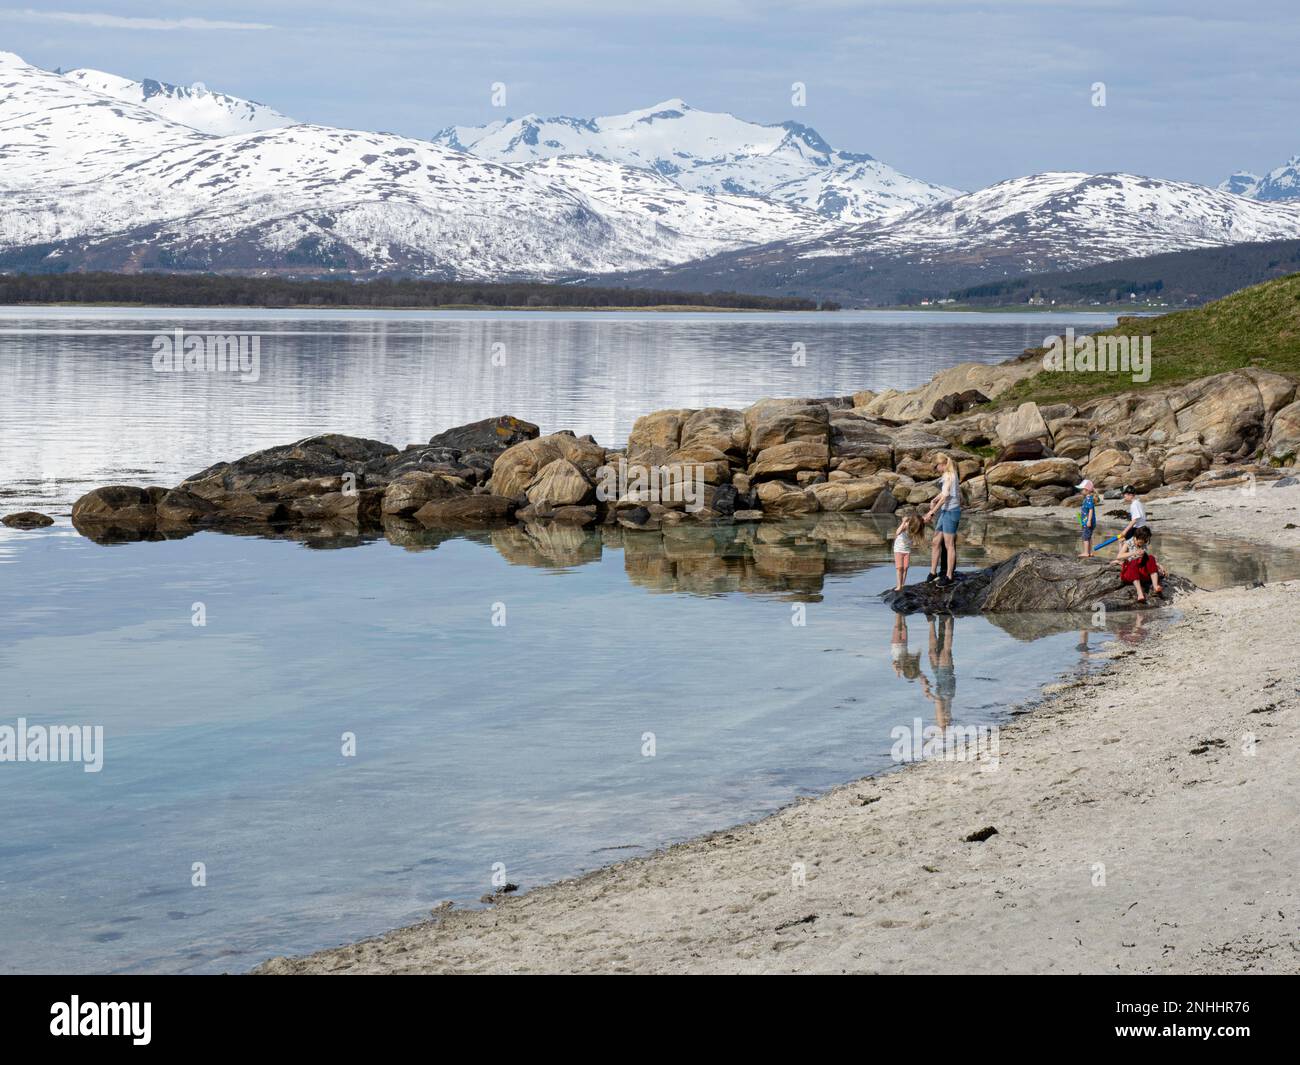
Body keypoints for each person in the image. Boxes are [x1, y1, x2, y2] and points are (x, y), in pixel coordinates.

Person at [923, 453, 962, 586]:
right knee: (935, 541)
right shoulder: (947, 475)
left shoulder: (950, 475)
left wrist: (931, 513)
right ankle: (933, 572)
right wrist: (934, 499)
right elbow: (944, 493)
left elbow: (945, 496)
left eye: (936, 467)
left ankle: (949, 575)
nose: (936, 470)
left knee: (949, 544)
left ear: (942, 464)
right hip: (945, 511)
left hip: (952, 512)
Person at [1115, 526, 1165, 603]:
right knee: (1134, 562)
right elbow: (1119, 556)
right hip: (1130, 570)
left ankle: (1155, 586)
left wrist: (1158, 565)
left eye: (1145, 541)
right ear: (1136, 537)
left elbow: (1147, 558)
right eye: (1142, 541)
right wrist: (1133, 553)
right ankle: (1140, 593)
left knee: (1151, 557)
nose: (1143, 543)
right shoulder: (1128, 543)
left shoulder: (1143, 544)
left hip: (1141, 569)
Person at [892, 513, 924, 591]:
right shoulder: (906, 525)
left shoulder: (915, 528)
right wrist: (903, 522)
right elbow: (897, 532)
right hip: (898, 549)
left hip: (907, 550)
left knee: (905, 568)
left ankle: (902, 584)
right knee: (899, 567)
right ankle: (899, 585)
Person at [1116, 483, 1147, 553]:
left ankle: (1121, 559)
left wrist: (1125, 531)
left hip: (1138, 529)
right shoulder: (1138, 502)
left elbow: (1135, 520)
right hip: (1142, 528)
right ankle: (1124, 558)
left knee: (1121, 539)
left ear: (1129, 494)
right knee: (1126, 541)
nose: (1124, 496)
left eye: (1125, 494)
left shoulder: (1134, 504)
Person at [1077, 478, 1098, 557]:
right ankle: (1090, 552)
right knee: (1089, 537)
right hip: (1087, 521)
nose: (1081, 491)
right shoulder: (1088, 498)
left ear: (1087, 490)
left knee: (1085, 537)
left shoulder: (1089, 499)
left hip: (1088, 522)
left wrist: (1088, 521)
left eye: (1082, 489)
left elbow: (1091, 510)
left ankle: (1086, 552)